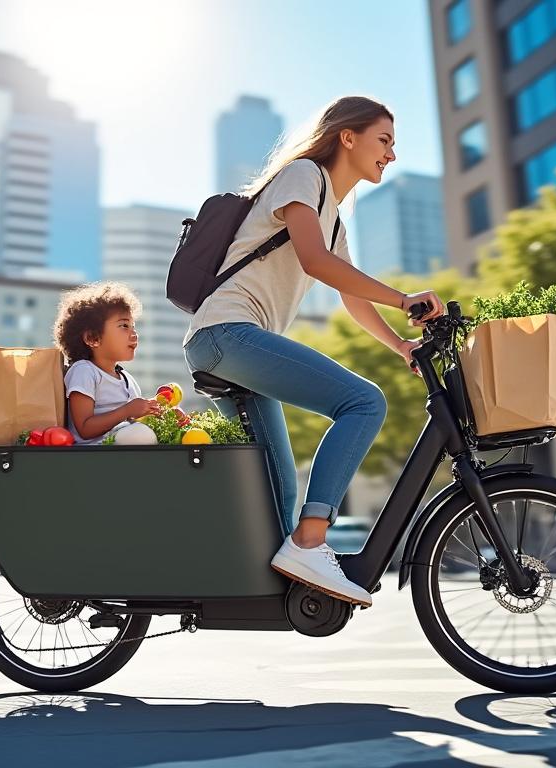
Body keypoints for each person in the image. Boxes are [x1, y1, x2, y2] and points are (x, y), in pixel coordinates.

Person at [183, 96, 443, 607]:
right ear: (348, 137)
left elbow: (349, 295)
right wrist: (404, 299)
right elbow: (315, 261)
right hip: (226, 334)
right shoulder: (304, 175)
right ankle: (312, 539)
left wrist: (400, 347)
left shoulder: (335, 219)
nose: (391, 154)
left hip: (230, 347)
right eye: (384, 140)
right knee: (363, 403)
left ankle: (259, 593)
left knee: (278, 499)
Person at [53, 281, 163, 445]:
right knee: (141, 435)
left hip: (123, 445)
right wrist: (128, 410)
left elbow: (135, 419)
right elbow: (84, 429)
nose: (134, 334)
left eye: (133, 326)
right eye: (124, 326)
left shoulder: (127, 379)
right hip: (98, 451)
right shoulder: (84, 371)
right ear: (93, 338)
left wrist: (159, 413)